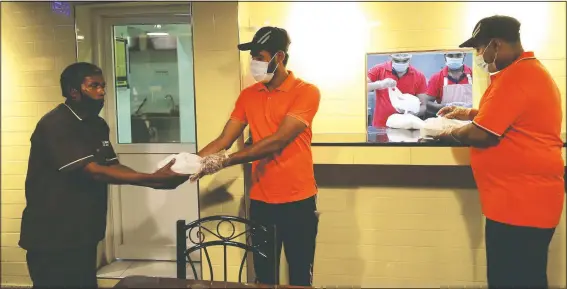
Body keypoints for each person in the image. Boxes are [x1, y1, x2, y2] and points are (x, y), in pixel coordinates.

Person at [19, 62, 190, 289]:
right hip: (53, 235)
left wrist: (152, 177)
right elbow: (93, 171)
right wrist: (150, 180)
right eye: (94, 86)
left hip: (83, 232)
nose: (102, 92)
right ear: (74, 92)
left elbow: (112, 165)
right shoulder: (56, 123)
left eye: (103, 86)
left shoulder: (97, 124)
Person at [435, 15, 564, 289]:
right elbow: (508, 116)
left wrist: (444, 131)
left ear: (496, 44)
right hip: (520, 204)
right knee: (525, 278)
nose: (480, 55)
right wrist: (468, 113)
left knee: (513, 281)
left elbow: (481, 134)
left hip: (520, 208)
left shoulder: (517, 76)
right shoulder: (524, 72)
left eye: (481, 49)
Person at [188, 27, 320, 286]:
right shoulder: (249, 95)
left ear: (279, 56)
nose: (254, 63)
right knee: (264, 275)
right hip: (261, 201)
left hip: (298, 200)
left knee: (300, 274)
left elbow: (277, 141)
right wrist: (188, 161)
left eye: (259, 56)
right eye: (252, 57)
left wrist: (225, 161)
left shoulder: (306, 91)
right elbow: (223, 140)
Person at [367, 53, 428, 127]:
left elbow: (423, 106)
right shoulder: (378, 70)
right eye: (397, 60)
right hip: (381, 126)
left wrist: (412, 113)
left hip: (406, 127)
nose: (401, 63)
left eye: (405, 60)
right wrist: (380, 84)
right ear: (390, 56)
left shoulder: (419, 76)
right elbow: (360, 87)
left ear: (410, 58)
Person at [424, 52, 473, 118]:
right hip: (447, 121)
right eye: (450, 55)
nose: (454, 58)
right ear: (445, 56)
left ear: (464, 55)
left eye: (458, 55)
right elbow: (427, 103)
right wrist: (447, 107)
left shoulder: (475, 75)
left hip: (471, 119)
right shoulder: (436, 78)